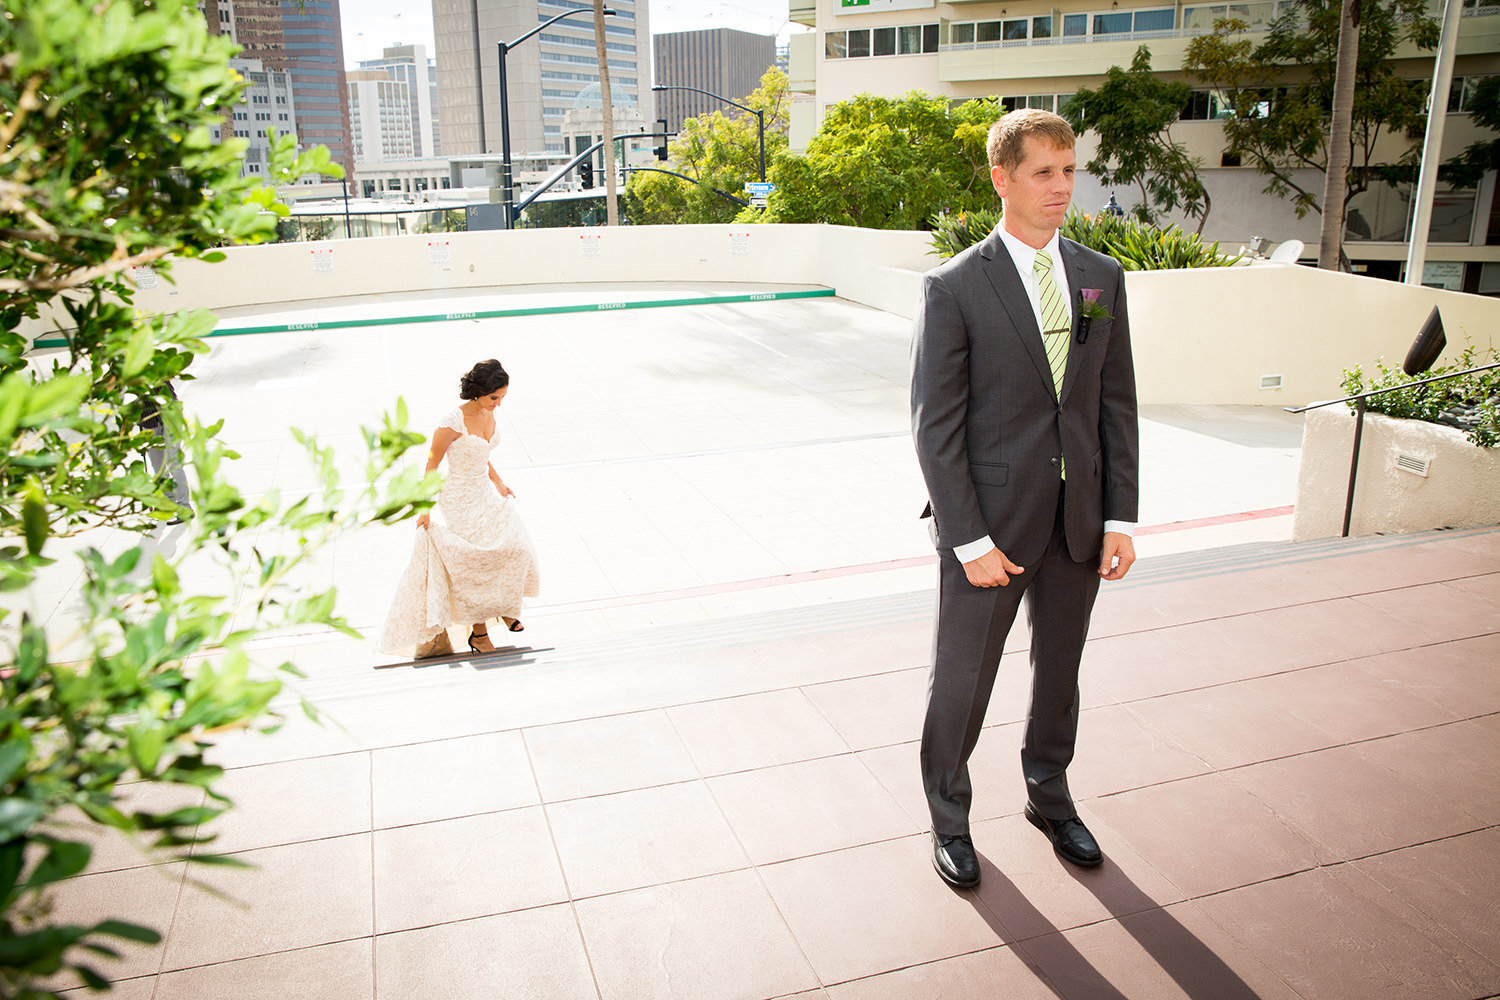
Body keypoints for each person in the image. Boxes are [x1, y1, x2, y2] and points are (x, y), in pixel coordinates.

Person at [910, 109, 1140, 888]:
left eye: (1070, 170)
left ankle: (1048, 794)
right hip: (990, 529)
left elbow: (1113, 403)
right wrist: (967, 539)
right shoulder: (954, 287)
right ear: (1003, 179)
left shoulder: (1100, 278)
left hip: (1077, 521)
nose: (1062, 187)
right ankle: (949, 814)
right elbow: (934, 427)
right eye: (1044, 172)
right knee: (962, 679)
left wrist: (1119, 516)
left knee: (1060, 674)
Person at [379, 359, 540, 658]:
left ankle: (504, 607)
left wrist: (499, 483)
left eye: (502, 398)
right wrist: (423, 508)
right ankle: (479, 634)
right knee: (475, 562)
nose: (498, 404)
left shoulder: (488, 413)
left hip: (483, 490)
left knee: (513, 547)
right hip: (458, 497)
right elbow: (432, 464)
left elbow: (481, 452)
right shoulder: (450, 421)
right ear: (478, 392)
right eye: (494, 398)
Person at [140, 380, 193, 520]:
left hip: (170, 416)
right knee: (157, 466)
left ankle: (184, 508)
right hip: (148, 420)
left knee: (173, 462)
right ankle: (167, 503)